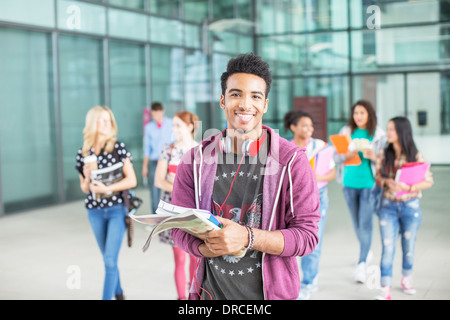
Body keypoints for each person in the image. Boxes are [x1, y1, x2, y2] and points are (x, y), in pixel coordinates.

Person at [170, 53, 321, 300]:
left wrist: (247, 237)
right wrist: (204, 248)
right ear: (223, 100)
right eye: (236, 94)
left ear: (265, 105)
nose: (245, 104)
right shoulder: (194, 161)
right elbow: (179, 228)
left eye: (255, 96)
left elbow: (307, 236)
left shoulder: (292, 161)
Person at [75, 106, 137, 300]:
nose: (105, 124)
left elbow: (132, 180)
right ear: (92, 123)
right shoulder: (83, 153)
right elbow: (85, 188)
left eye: (108, 120)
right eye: (101, 120)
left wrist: (106, 189)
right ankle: (119, 294)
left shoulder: (118, 147)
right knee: (108, 260)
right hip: (94, 211)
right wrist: (86, 179)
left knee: (110, 260)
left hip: (116, 209)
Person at [374, 117, 433, 300]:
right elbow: (377, 176)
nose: (388, 132)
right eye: (388, 128)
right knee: (388, 246)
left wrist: (407, 187)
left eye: (391, 129)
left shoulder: (416, 155)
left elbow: (428, 181)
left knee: (408, 246)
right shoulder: (384, 153)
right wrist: (386, 182)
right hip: (388, 206)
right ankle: (385, 287)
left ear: (402, 131)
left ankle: (406, 278)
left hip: (410, 206)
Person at [284, 110, 336, 300]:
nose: (309, 129)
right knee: (291, 241)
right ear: (293, 128)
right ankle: (290, 282)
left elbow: (332, 173)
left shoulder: (320, 147)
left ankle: (309, 282)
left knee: (314, 240)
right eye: (304, 125)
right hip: (292, 198)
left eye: (311, 126)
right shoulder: (286, 148)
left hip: (318, 195)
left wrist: (317, 177)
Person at [334, 99, 386, 284]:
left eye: (362, 113)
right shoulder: (346, 132)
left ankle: (362, 263)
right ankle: (367, 247)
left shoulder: (378, 134)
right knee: (357, 224)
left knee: (365, 225)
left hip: (369, 186)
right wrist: (347, 155)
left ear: (369, 114)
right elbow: (336, 157)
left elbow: (386, 161)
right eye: (356, 113)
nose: (358, 116)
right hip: (348, 184)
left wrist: (375, 157)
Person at [154, 110, 199, 300]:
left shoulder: (200, 150)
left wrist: (178, 185)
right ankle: (181, 298)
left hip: (194, 209)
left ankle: (193, 295)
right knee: (179, 257)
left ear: (190, 126)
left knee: (195, 257)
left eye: (179, 125)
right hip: (172, 209)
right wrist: (180, 188)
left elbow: (203, 184)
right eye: (173, 125)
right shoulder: (169, 149)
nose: (175, 129)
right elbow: (158, 180)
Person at [143, 102, 173, 214]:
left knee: (171, 188)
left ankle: (170, 216)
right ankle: (155, 218)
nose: (156, 117)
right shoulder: (149, 127)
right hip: (155, 162)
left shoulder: (171, 124)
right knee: (154, 190)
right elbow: (147, 148)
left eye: (158, 114)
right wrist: (145, 166)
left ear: (162, 112)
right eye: (153, 115)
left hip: (170, 162)